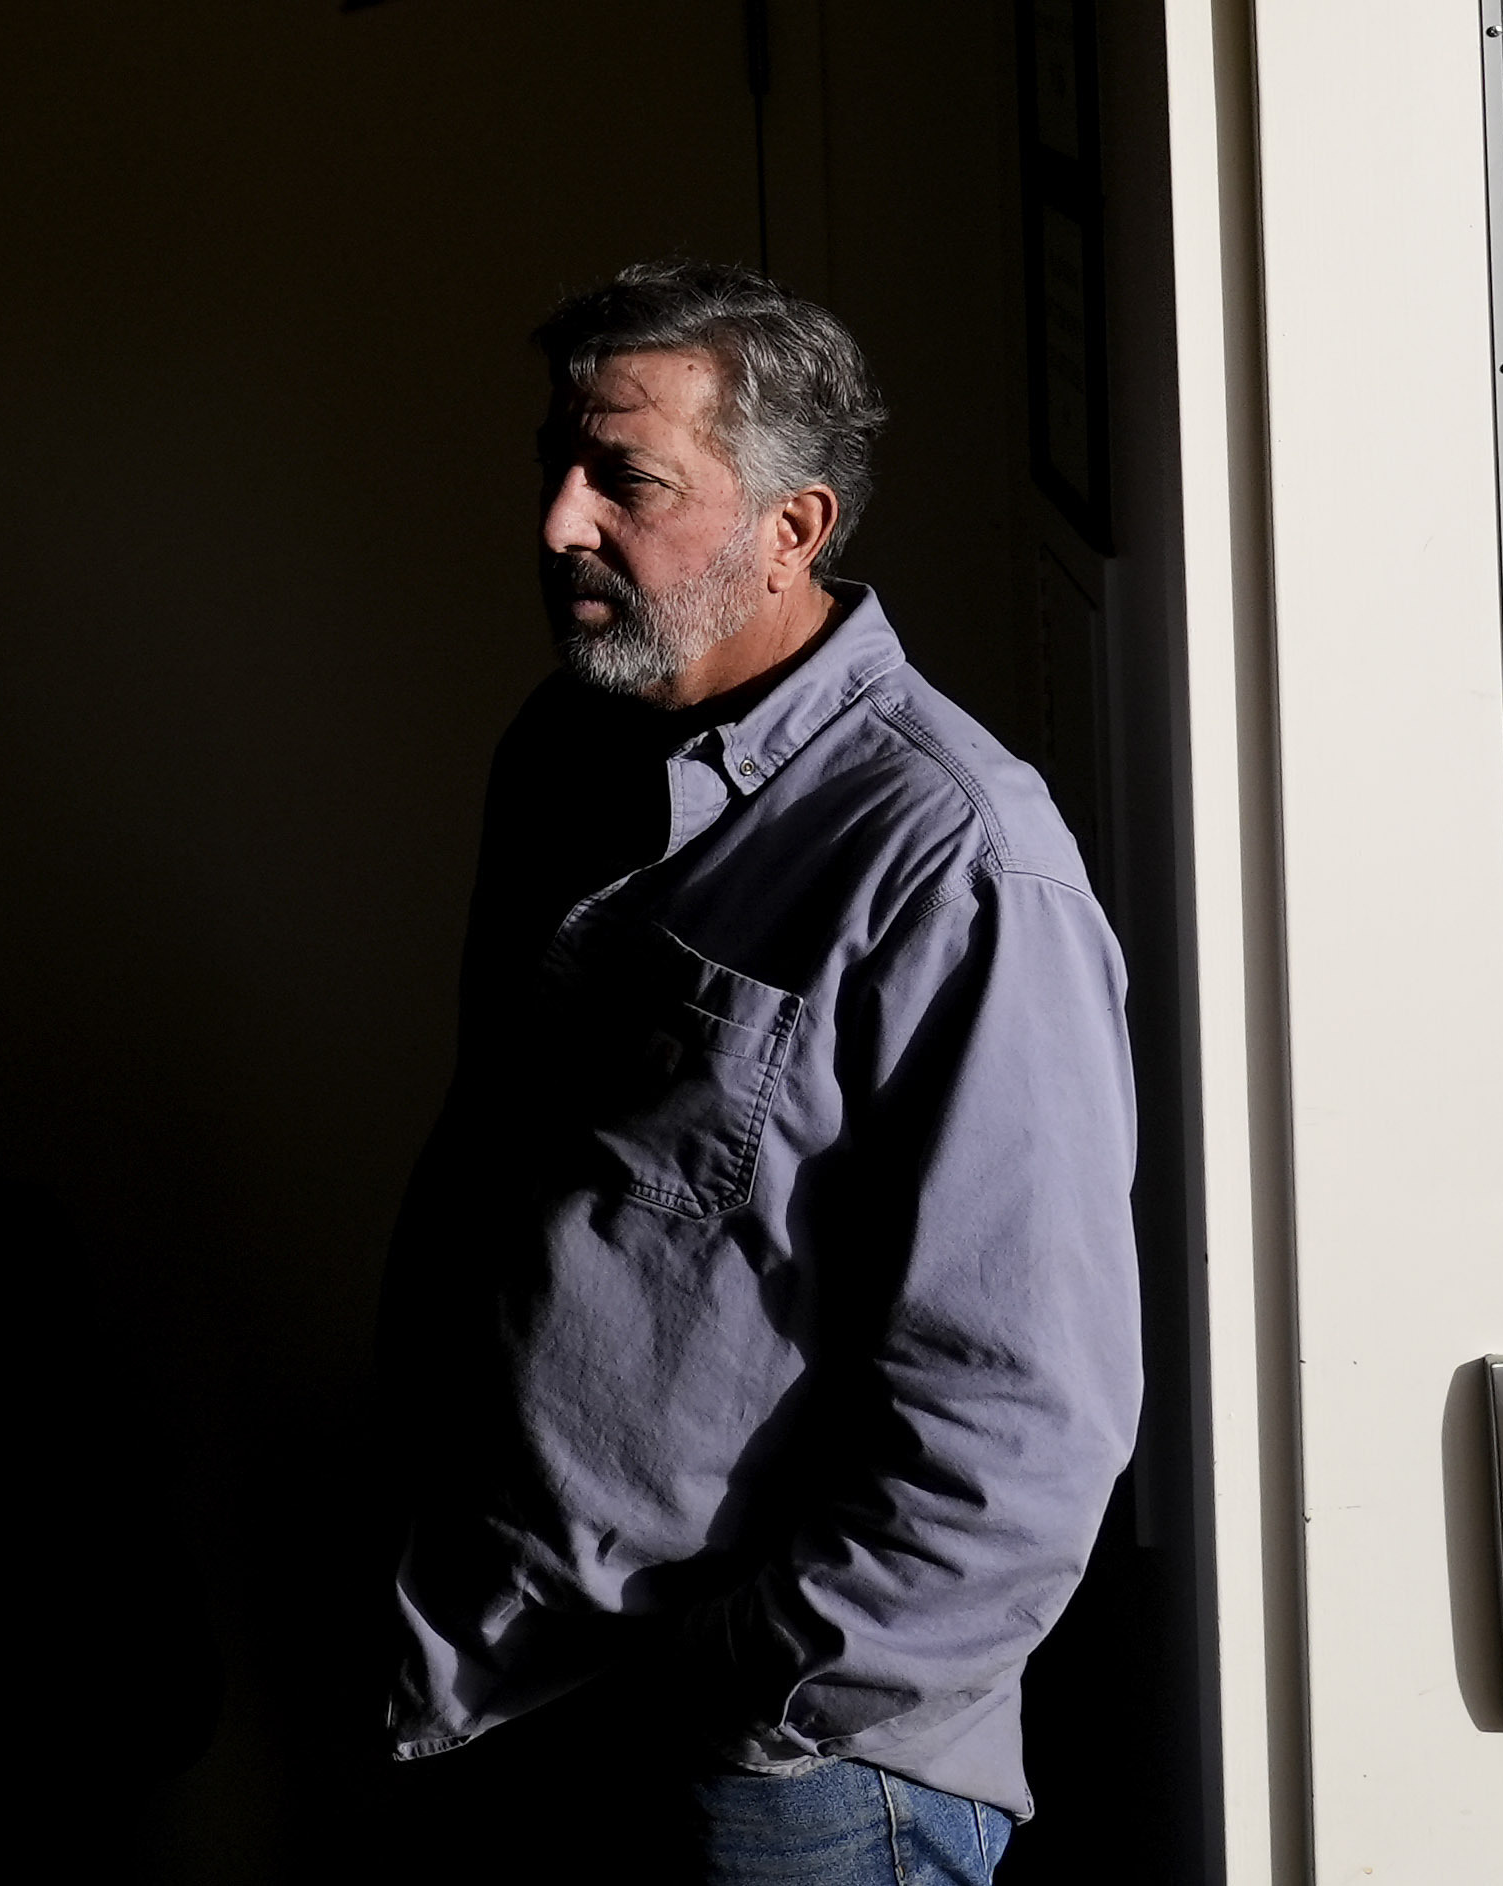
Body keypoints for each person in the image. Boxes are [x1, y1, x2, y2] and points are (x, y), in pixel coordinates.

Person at [369, 262, 1139, 1883]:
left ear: (792, 527)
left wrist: (747, 1691)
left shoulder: (954, 862)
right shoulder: (560, 747)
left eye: (625, 480)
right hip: (508, 1682)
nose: (557, 519)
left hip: (775, 1778)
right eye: (552, 463)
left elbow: (1025, 1429)